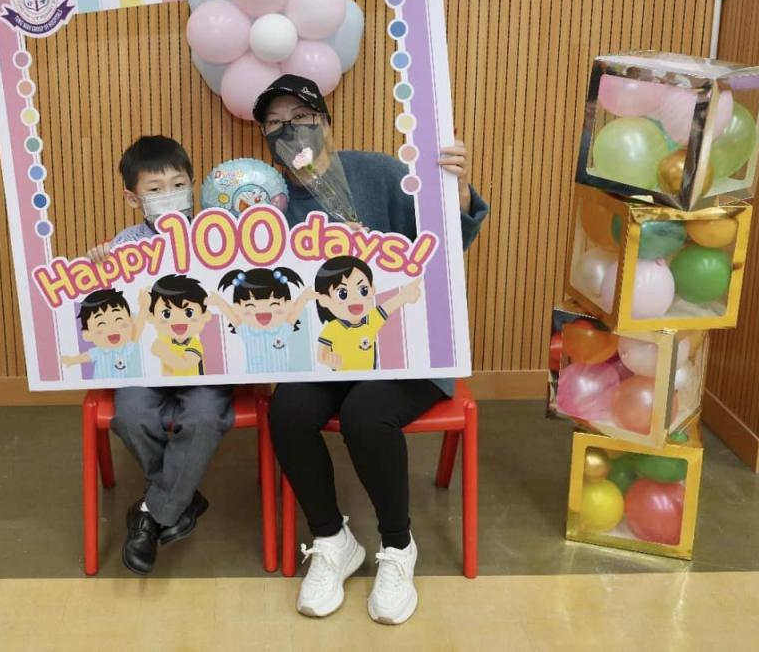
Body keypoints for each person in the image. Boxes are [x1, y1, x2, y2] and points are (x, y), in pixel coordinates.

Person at [255, 74, 488, 625]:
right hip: (331, 355)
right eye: (275, 124)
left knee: (366, 415)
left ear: (325, 121)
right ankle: (332, 539)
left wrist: (457, 195)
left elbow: (445, 247)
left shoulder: (380, 173)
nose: (290, 131)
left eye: (301, 118)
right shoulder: (269, 202)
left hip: (407, 351)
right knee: (287, 411)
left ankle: (397, 546)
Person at [88, 136, 233, 575]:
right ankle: (179, 500)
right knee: (131, 415)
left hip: (206, 367)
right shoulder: (126, 245)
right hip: (146, 366)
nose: (169, 194)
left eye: (178, 184)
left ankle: (152, 514)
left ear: (193, 184)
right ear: (133, 198)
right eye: (155, 189)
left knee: (205, 416)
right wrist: (97, 266)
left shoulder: (219, 235)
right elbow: (102, 306)